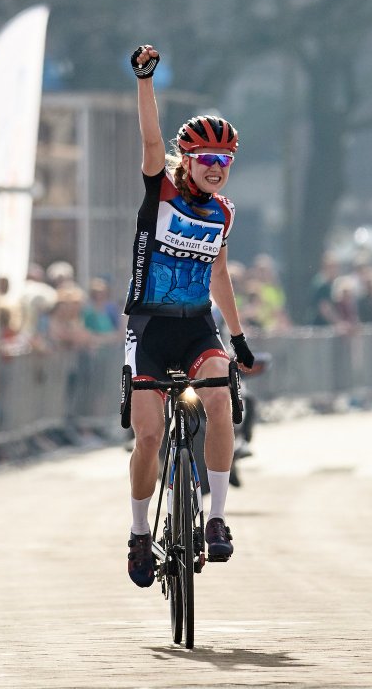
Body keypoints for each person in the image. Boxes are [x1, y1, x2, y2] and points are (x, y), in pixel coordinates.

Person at [124, 44, 254, 588]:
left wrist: (238, 338)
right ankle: (138, 533)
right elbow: (152, 140)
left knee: (220, 399)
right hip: (151, 325)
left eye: (225, 161)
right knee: (150, 435)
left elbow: (219, 274)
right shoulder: (162, 188)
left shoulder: (223, 213)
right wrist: (145, 81)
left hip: (198, 324)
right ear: (188, 159)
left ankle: (217, 517)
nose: (217, 170)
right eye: (207, 160)